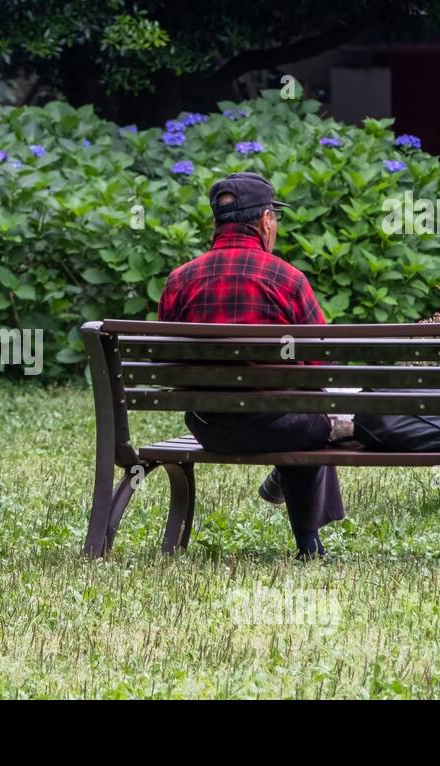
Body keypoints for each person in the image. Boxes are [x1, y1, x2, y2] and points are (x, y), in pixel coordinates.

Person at [156, 172, 349, 559]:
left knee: (308, 407)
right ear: (265, 220)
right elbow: (321, 360)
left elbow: (166, 361)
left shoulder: (180, 280)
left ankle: (300, 516)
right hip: (284, 426)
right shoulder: (287, 280)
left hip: (211, 427)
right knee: (314, 410)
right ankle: (308, 542)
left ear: (216, 223)